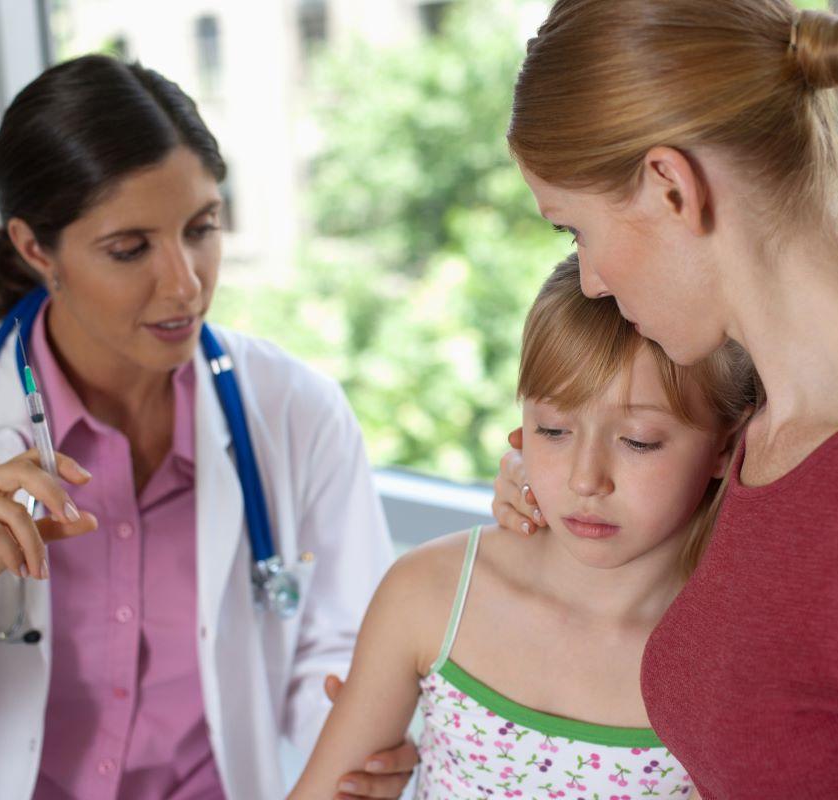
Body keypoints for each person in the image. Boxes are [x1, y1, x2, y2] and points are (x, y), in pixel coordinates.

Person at [491, 2, 838, 797]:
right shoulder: (760, 432)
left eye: (573, 231)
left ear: (670, 188)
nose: (590, 281)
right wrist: (544, 502)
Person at [0, 55, 416, 799]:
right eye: (130, 249)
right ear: (34, 249)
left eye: (201, 229)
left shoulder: (295, 411)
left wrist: (366, 734)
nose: (185, 282)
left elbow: (344, 658)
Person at [287, 255, 755, 800]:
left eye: (638, 441)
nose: (586, 480)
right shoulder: (429, 594)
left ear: (726, 443)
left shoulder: (739, 658)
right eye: (554, 430)